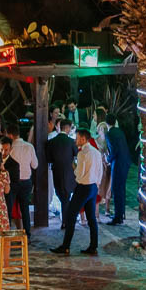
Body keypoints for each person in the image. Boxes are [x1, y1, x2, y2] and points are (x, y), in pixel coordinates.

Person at [52, 128, 103, 256]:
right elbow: (100, 172)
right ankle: (93, 246)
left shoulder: (82, 154)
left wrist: (74, 168)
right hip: (93, 187)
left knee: (70, 216)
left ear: (83, 139)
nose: (75, 140)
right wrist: (96, 184)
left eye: (77, 138)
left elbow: (79, 175)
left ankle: (66, 246)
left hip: (83, 187)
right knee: (91, 218)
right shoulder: (96, 152)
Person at [8, 124, 40, 232]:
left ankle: (5, 234)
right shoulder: (29, 147)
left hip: (12, 182)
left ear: (10, 135)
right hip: (26, 181)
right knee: (25, 209)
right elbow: (35, 165)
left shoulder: (9, 148)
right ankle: (27, 235)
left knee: (8, 208)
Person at [47, 118, 78, 227]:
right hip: (69, 173)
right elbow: (76, 155)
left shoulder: (52, 142)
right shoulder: (71, 142)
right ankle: (67, 220)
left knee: (62, 196)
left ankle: (66, 220)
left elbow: (49, 159)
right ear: (68, 128)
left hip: (57, 172)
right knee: (66, 197)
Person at [105, 117, 131, 225]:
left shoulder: (109, 133)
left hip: (118, 163)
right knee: (122, 188)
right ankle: (121, 213)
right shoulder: (120, 131)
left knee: (116, 189)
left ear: (107, 123)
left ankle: (117, 217)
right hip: (126, 162)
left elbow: (113, 150)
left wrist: (107, 159)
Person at [91, 108, 112, 217]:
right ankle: (105, 210)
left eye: (94, 114)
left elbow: (102, 142)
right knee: (105, 185)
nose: (93, 116)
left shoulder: (102, 127)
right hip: (105, 161)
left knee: (101, 184)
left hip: (103, 162)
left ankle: (98, 213)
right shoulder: (102, 126)